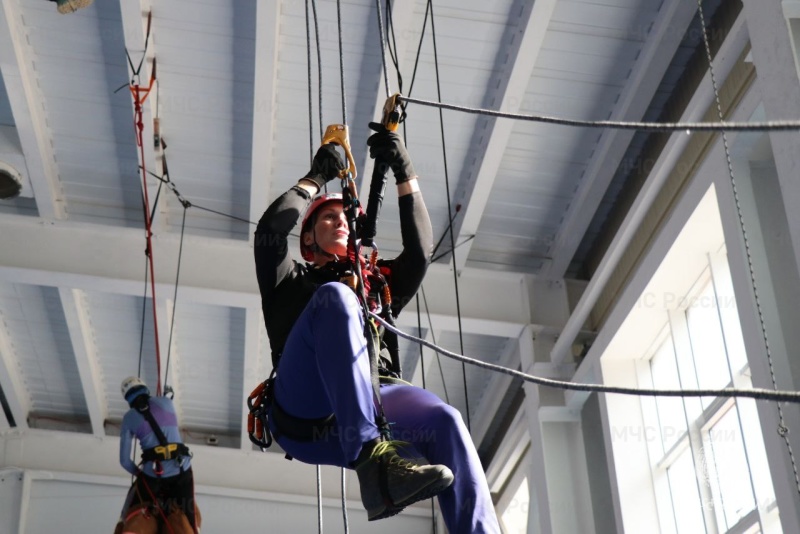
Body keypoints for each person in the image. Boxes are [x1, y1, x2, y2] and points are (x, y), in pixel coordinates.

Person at [253, 123, 501, 533]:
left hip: (372, 401)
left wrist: (405, 172)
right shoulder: (290, 283)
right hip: (306, 407)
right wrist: (316, 179)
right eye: (326, 219)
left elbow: (420, 254)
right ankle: (376, 465)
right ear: (308, 242)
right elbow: (269, 232)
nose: (340, 222)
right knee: (336, 297)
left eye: (343, 217)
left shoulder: (376, 285)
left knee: (446, 419)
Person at [118, 376, 199, 533]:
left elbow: (124, 461)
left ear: (128, 398)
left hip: (153, 475)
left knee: (130, 509)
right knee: (191, 519)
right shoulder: (167, 402)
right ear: (144, 389)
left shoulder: (128, 419)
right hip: (181, 470)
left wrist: (140, 474)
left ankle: (123, 525)